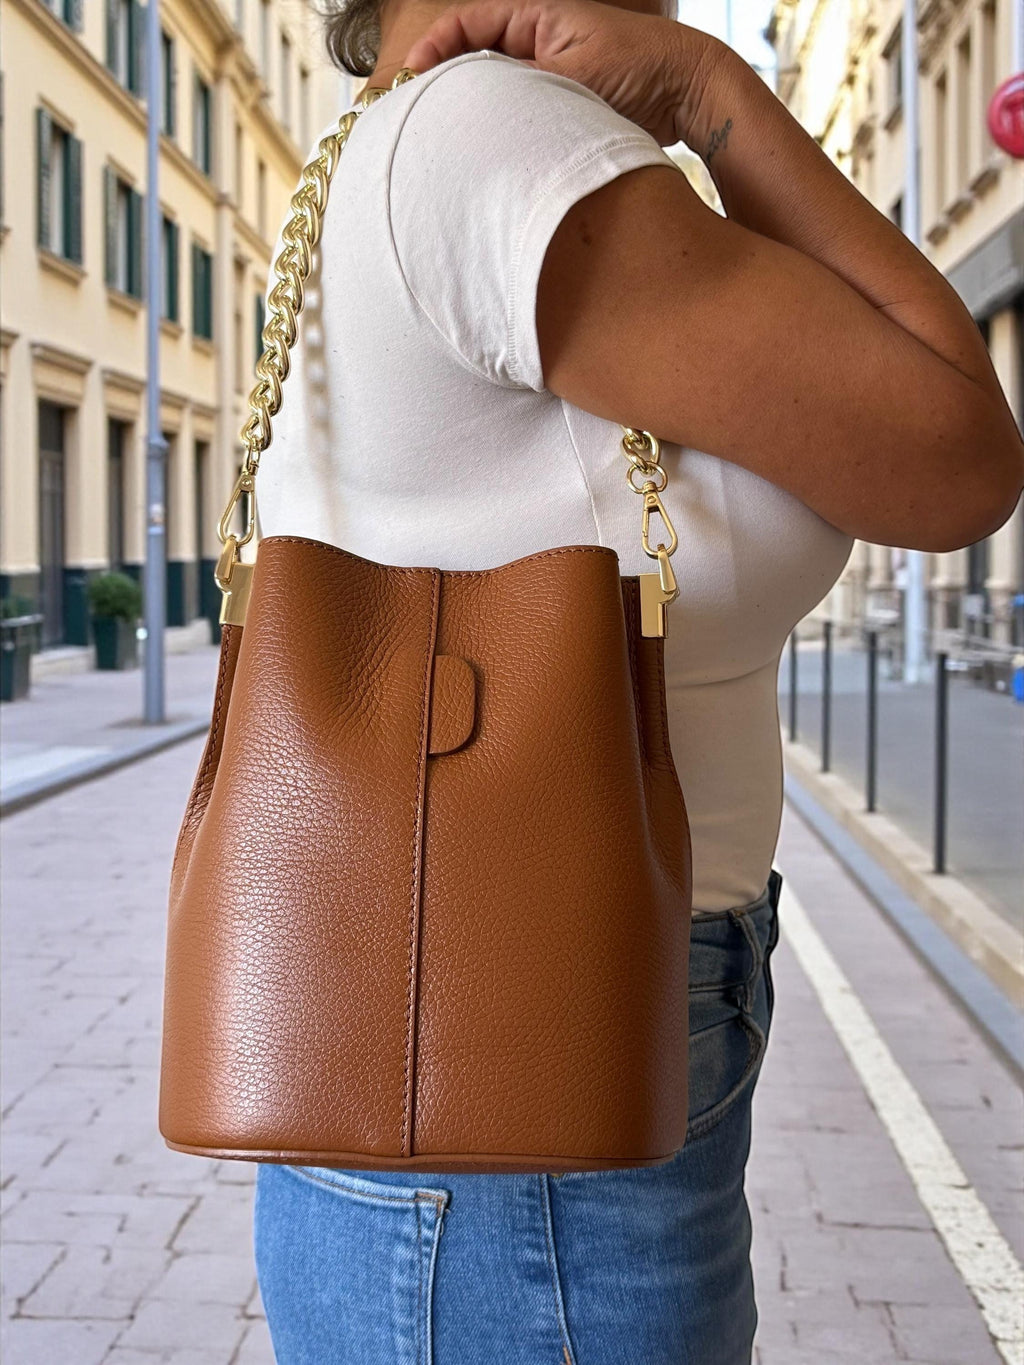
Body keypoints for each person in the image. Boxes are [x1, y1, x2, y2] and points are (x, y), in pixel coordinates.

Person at [251, 0, 1024, 1360]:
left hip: (485, 1119)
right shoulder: (497, 140)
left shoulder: (404, 143)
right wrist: (709, 88)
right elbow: (961, 447)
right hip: (525, 1119)